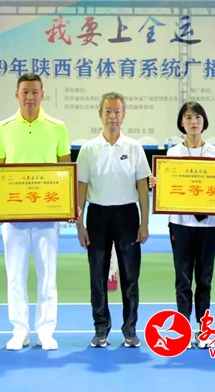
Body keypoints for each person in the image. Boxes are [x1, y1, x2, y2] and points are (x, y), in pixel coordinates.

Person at [149, 101, 215, 349]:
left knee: (204, 279)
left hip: (210, 225)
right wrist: (157, 183)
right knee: (182, 279)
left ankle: (203, 328)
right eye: (188, 117)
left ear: (204, 121)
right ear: (181, 122)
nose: (193, 122)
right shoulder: (172, 154)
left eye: (198, 117)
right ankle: (183, 328)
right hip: (180, 224)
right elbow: (167, 186)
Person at [0, 73, 71, 351]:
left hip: (48, 215)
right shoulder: (2, 128)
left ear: (42, 94)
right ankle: (20, 330)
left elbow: (66, 170)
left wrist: (67, 206)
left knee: (48, 274)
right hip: (14, 216)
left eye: (35, 92)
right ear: (16, 94)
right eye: (25, 92)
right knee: (15, 275)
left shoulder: (58, 127)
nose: (30, 97)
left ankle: (46, 330)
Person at [76, 92, 151, 348]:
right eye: (107, 111)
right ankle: (101, 329)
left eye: (117, 111)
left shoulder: (134, 147)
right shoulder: (88, 149)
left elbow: (142, 187)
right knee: (98, 277)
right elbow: (81, 189)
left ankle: (130, 330)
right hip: (97, 216)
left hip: (128, 216)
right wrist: (80, 225)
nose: (112, 116)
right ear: (100, 114)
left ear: (124, 114)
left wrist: (145, 222)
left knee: (130, 277)